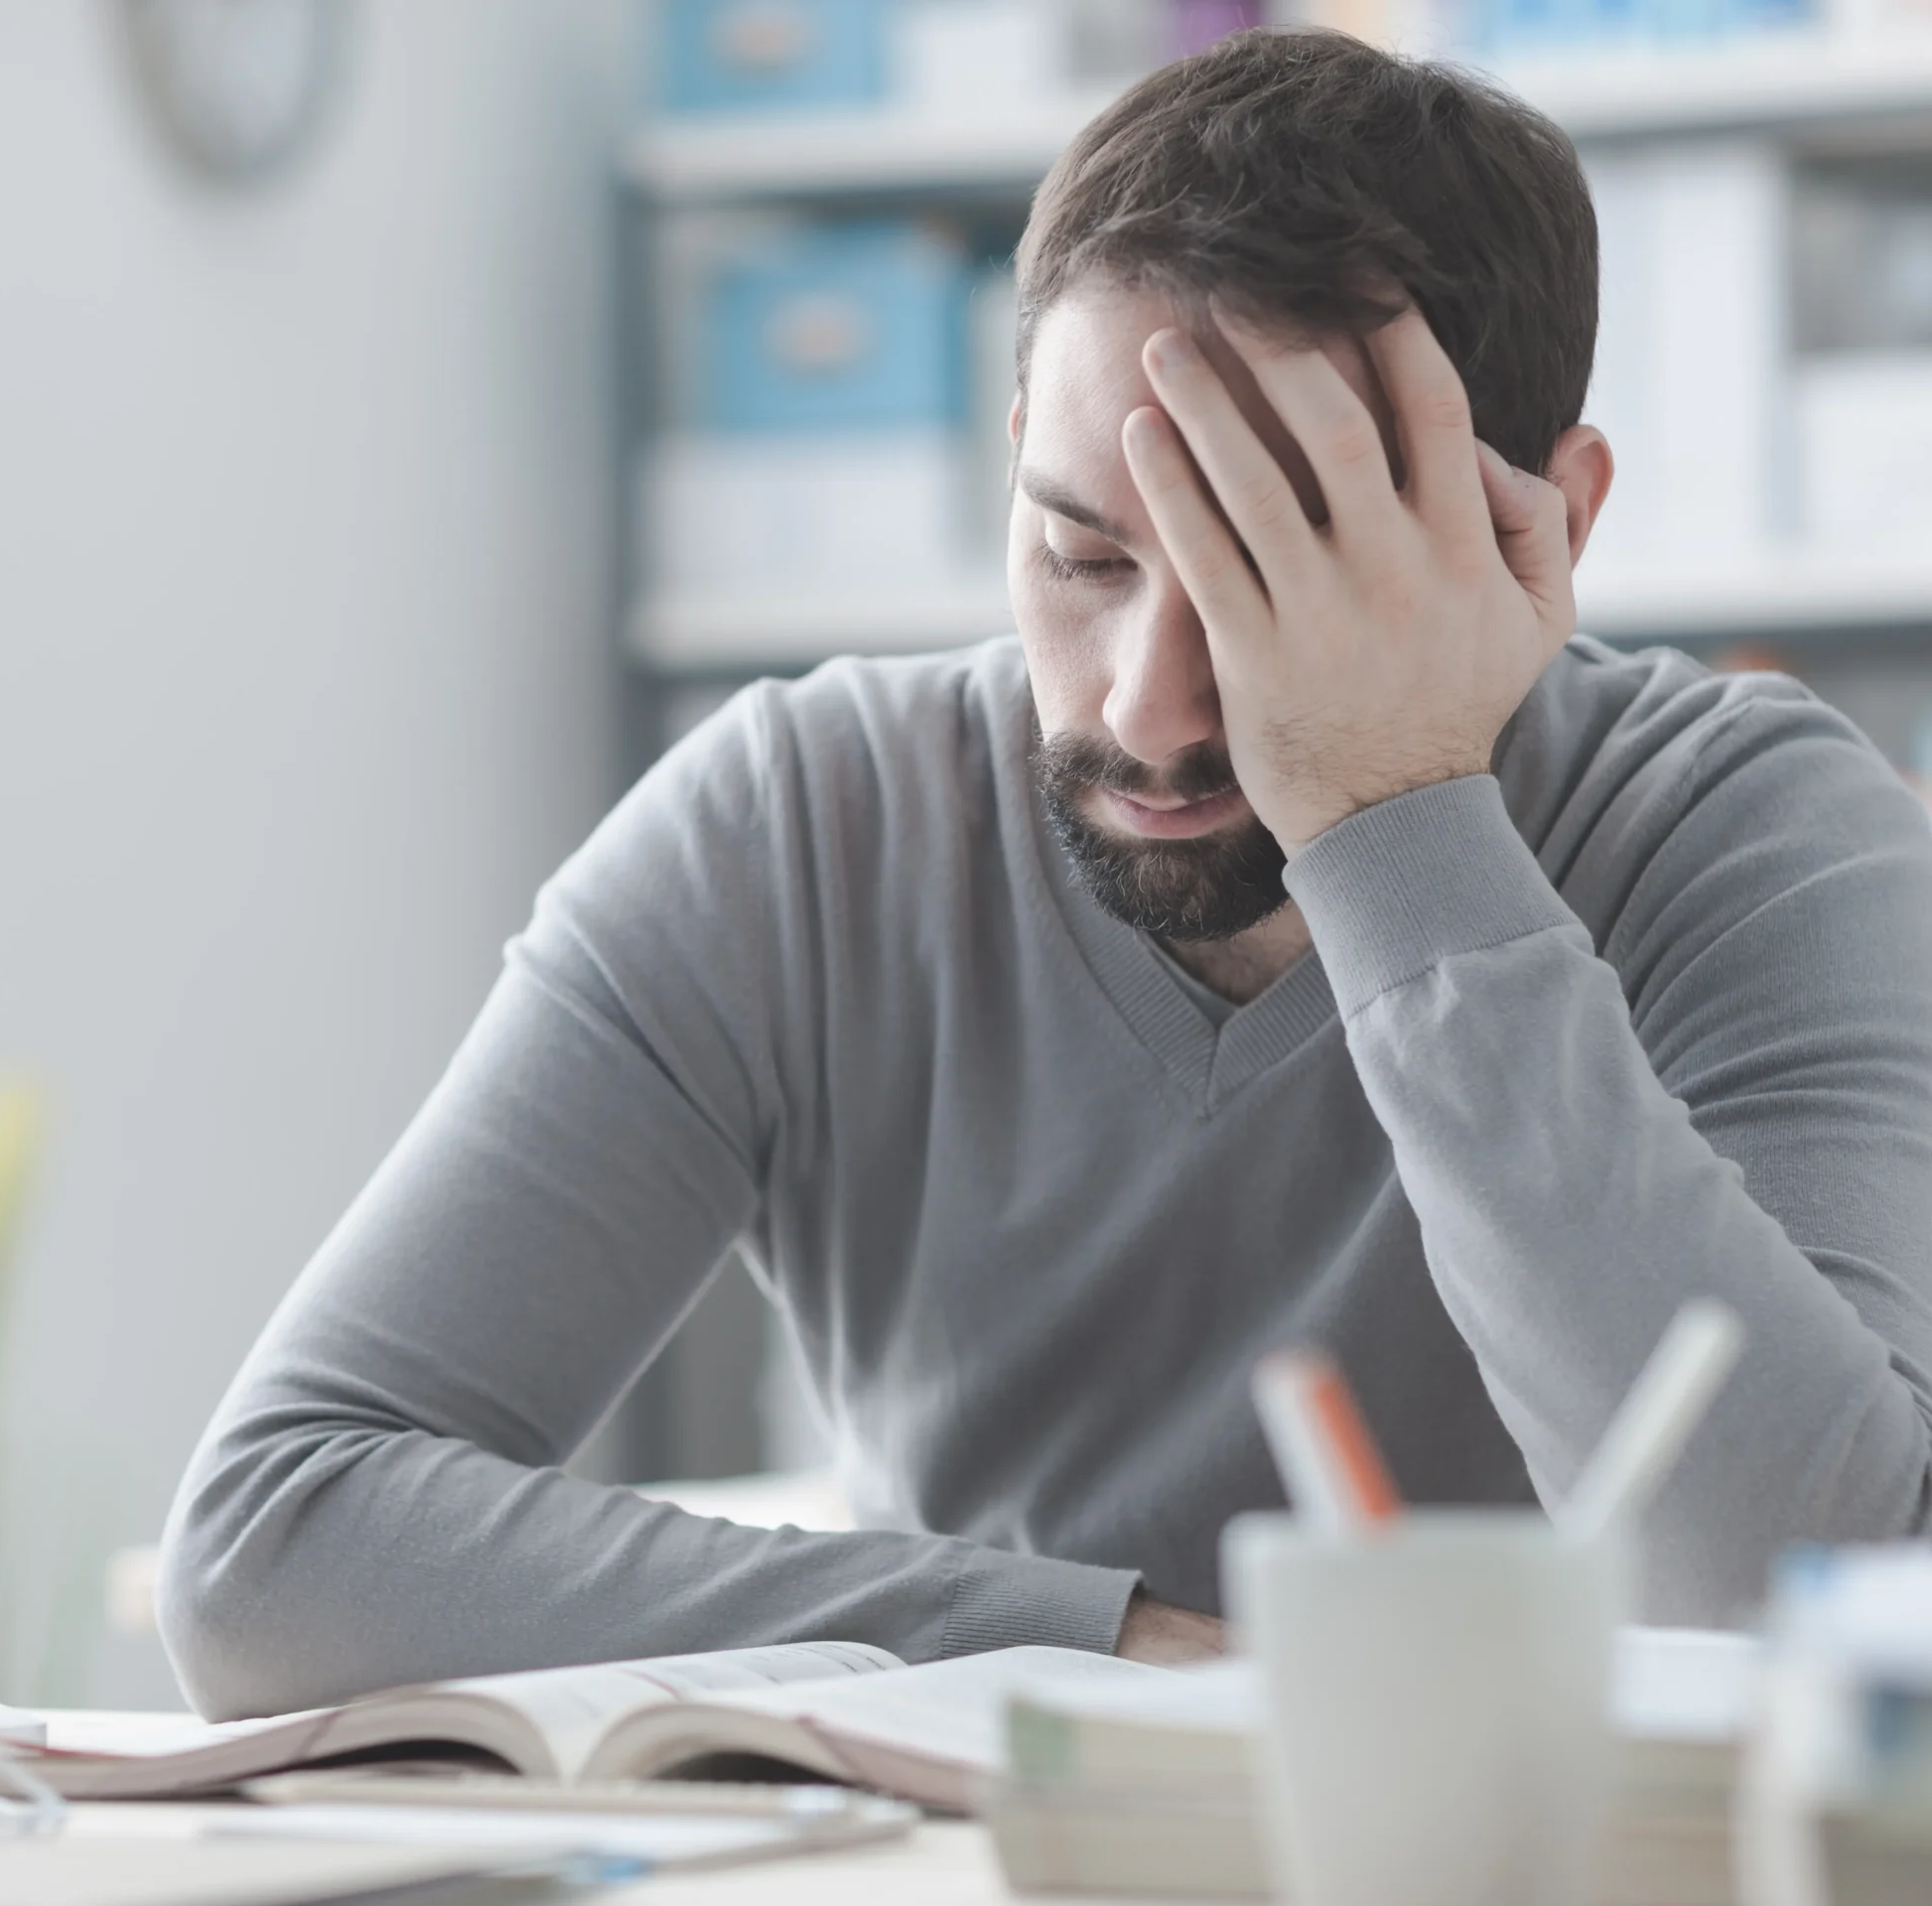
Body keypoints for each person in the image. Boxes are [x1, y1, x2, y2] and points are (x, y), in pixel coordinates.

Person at [159, 30, 1932, 1717]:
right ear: (1009, 457)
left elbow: (1796, 1601)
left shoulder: (1749, 835)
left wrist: (1399, 825)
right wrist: (1084, 1648)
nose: (1151, 704)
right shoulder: (800, 826)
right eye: (1082, 558)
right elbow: (273, 1546)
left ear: (1552, 525)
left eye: (1276, 582)